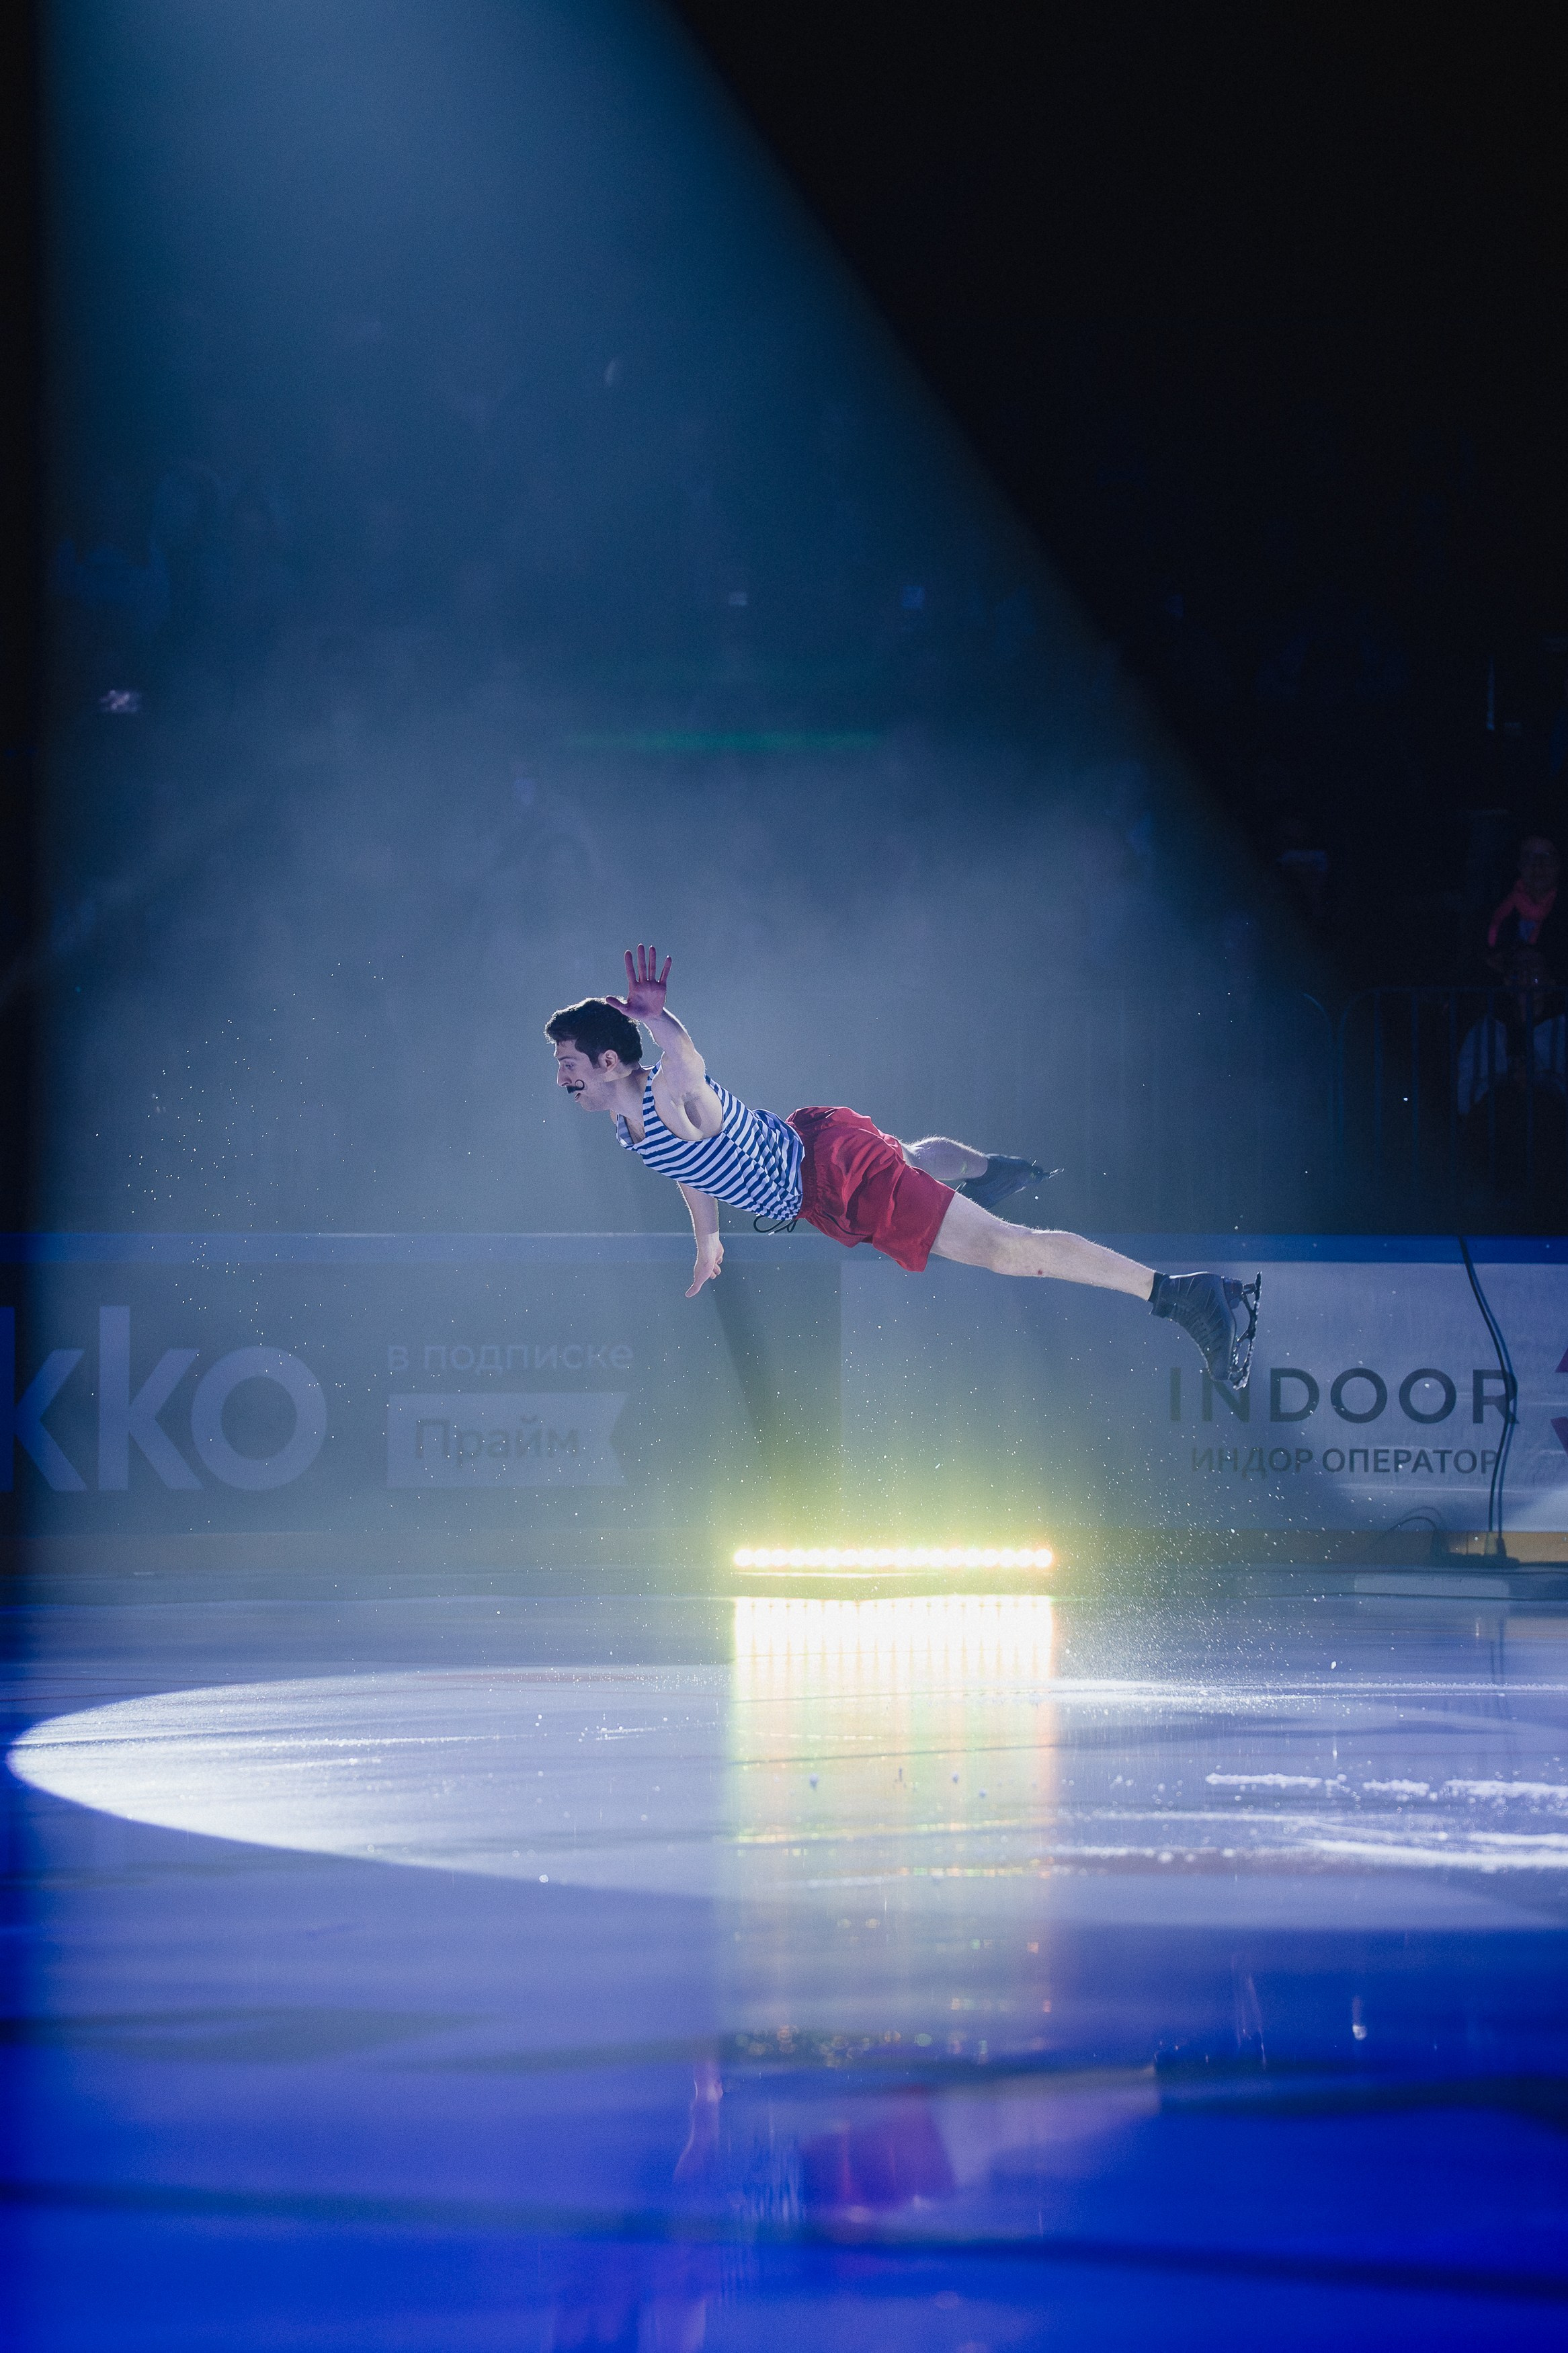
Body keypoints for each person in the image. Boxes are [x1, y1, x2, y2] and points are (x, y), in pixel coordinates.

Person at [545, 944, 1260, 1388]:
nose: (563, 1080)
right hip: (818, 1163)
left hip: (832, 1175)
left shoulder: (667, 1092)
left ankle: (1183, 1296)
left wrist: (657, 1020)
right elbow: (689, 1169)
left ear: (611, 1061)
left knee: (1005, 1251)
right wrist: (706, 1236)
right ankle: (985, 1168)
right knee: (914, 1158)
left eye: (570, 1065)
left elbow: (690, 1065)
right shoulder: (623, 1118)